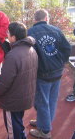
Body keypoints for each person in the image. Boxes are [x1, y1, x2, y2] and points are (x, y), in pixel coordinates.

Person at [28, 9, 71, 139]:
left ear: (35, 20)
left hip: (42, 73)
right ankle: (44, 122)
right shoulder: (56, 30)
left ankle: (45, 131)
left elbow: (30, 54)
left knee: (41, 101)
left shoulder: (30, 32)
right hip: (57, 71)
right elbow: (67, 48)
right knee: (51, 100)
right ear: (47, 18)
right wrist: (61, 62)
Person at [0, 22, 38, 139]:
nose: (6, 35)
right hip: (24, 95)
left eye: (8, 33)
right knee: (18, 122)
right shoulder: (31, 50)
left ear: (13, 37)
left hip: (12, 99)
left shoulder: (13, 55)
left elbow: (5, 81)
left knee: (13, 128)